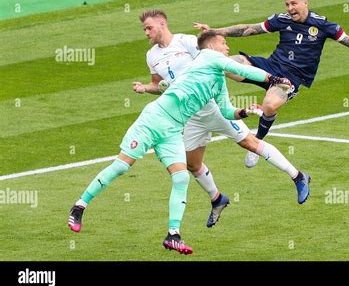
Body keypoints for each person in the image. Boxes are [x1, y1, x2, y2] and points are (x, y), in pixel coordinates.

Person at [67, 29, 303, 255]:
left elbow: (226, 110)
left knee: (181, 177)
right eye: (224, 43)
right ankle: (79, 206)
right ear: (212, 46)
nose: (227, 47)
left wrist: (245, 111)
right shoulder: (208, 56)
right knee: (121, 166)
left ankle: (173, 235)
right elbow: (240, 68)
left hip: (173, 130)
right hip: (154, 119)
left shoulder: (217, 81)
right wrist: (274, 78)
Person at [193, 0, 349, 168]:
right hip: (269, 66)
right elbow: (248, 29)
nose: (290, 8)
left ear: (305, 3)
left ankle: (258, 140)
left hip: (292, 78)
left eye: (293, 4)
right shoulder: (281, 20)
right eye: (287, 4)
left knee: (269, 106)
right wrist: (215, 32)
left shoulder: (324, 26)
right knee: (225, 64)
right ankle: (203, 100)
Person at [132, 10, 312, 227]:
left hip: (212, 107)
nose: (146, 32)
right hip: (190, 115)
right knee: (192, 164)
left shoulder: (187, 42)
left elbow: (217, 57)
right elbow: (158, 84)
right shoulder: (152, 56)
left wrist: (271, 78)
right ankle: (217, 199)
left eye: (149, 27)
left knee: (250, 143)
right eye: (144, 29)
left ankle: (298, 176)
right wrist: (146, 88)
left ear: (162, 24)